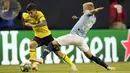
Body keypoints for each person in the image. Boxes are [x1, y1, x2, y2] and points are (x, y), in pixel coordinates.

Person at [35, 2, 116, 71]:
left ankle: (41, 58)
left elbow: (90, 12)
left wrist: (96, 10)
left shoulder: (88, 12)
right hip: (81, 40)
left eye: (84, 8)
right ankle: (108, 67)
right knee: (91, 56)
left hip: (74, 36)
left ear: (88, 9)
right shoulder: (93, 19)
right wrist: (77, 18)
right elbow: (84, 20)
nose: (83, 10)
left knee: (52, 44)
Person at [22, 3, 77, 71]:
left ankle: (72, 65)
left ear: (35, 10)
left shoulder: (39, 14)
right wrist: (25, 23)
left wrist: (33, 25)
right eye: (28, 13)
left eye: (31, 12)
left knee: (58, 53)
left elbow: (44, 23)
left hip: (47, 36)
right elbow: (23, 20)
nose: (30, 14)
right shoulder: (25, 15)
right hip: (38, 37)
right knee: (32, 44)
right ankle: (34, 65)